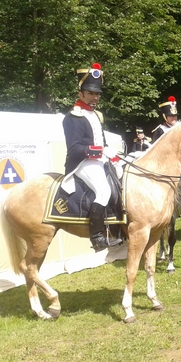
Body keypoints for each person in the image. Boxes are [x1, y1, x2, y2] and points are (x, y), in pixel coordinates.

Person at [62, 63, 122, 252]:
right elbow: (75, 149)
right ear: (81, 93)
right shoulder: (72, 117)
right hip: (81, 162)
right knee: (103, 190)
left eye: (97, 94)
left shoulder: (96, 115)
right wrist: (99, 151)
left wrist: (109, 152)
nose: (95, 97)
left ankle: (117, 226)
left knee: (122, 176)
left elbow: (100, 141)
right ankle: (96, 236)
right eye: (91, 93)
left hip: (98, 159)